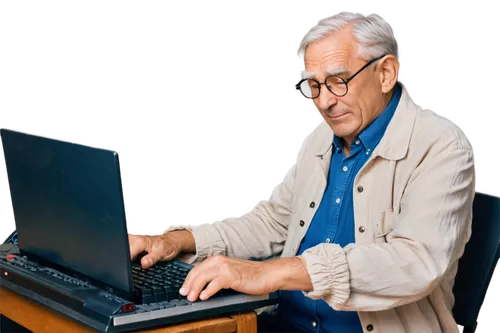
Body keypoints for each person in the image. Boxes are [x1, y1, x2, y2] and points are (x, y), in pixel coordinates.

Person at [129, 10, 476, 333]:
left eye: (339, 80)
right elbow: (273, 223)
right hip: (282, 323)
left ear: (385, 73)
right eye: (315, 86)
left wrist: (270, 273)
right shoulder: (325, 136)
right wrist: (172, 241)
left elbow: (415, 263)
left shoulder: (443, 147)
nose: (324, 102)